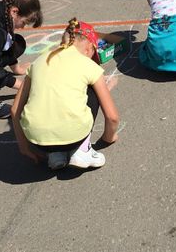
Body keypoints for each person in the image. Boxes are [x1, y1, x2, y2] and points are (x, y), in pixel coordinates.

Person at [11, 18, 120, 171]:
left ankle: (56, 155)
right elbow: (112, 117)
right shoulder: (88, 65)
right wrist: (109, 137)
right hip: (74, 137)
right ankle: (82, 150)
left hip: (38, 142)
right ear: (89, 48)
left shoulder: (39, 61)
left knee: (42, 91)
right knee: (93, 90)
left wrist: (24, 147)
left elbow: (15, 110)